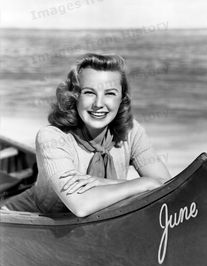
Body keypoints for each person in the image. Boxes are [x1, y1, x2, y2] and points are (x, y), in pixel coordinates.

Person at [1, 53, 171, 217]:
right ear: (75, 96)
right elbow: (81, 206)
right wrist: (145, 183)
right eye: (89, 92)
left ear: (122, 99)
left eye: (110, 93)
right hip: (26, 219)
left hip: (96, 225)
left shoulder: (131, 132)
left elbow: (167, 185)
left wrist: (109, 183)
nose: (98, 104)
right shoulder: (52, 137)